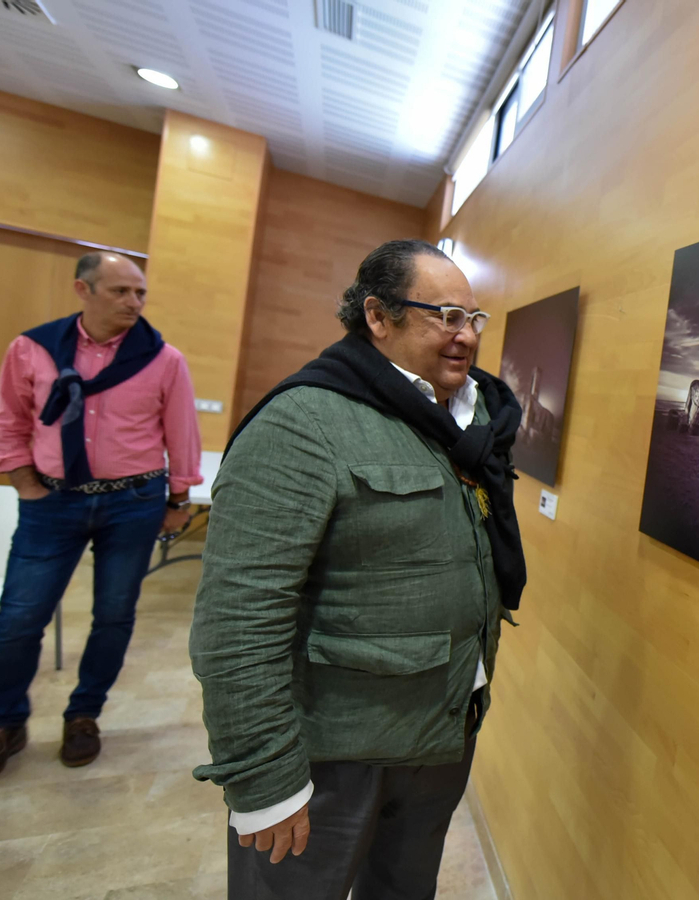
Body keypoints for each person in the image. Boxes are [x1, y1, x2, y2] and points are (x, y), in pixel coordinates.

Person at [190, 240, 527, 899]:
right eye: (447, 315)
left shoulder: (476, 418)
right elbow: (237, 616)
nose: (466, 337)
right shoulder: (304, 423)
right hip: (331, 754)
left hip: (441, 732)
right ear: (379, 316)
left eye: (474, 320)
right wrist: (265, 777)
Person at [0, 251, 202, 785]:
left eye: (140, 293)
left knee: (114, 615)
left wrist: (177, 500)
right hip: (54, 501)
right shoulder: (34, 349)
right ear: (83, 290)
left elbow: (182, 431)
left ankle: (83, 715)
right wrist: (25, 484)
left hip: (133, 502)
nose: (134, 303)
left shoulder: (163, 359)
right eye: (120, 292)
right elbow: (6, 418)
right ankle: (4, 724)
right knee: (20, 615)